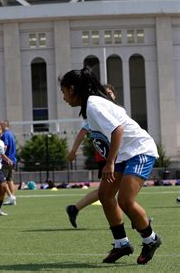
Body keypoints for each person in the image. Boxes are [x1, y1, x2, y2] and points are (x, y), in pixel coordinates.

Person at [60, 67, 161, 265]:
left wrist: (110, 162)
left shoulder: (93, 105)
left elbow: (117, 130)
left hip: (139, 151)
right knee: (105, 195)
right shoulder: (91, 106)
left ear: (72, 89)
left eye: (63, 91)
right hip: (125, 154)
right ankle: (121, 243)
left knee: (125, 200)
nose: (63, 97)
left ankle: (151, 240)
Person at [65, 84, 115, 227]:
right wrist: (73, 151)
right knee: (115, 189)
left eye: (110, 93)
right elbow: (83, 131)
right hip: (107, 157)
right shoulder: (97, 112)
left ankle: (74, 209)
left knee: (108, 191)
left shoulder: (115, 110)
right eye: (106, 93)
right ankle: (136, 220)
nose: (109, 96)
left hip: (118, 155)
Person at [0, 120, 17, 206]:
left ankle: (9, 197)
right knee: (9, 180)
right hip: (13, 160)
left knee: (2, 181)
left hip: (6, 161)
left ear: (4, 125)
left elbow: (5, 146)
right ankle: (12, 198)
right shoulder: (11, 134)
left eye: (0, 125)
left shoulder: (5, 134)